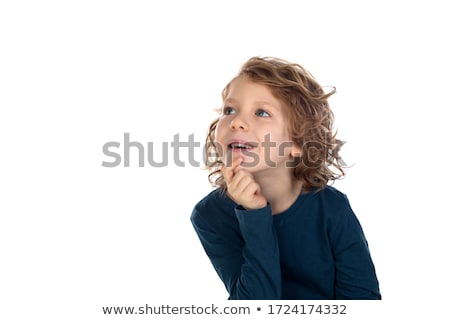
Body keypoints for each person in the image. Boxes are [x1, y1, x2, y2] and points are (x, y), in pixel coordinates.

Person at [190, 56, 381, 300]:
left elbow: (364, 301)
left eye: (261, 112)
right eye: (229, 110)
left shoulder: (331, 208)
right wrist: (254, 214)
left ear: (298, 142)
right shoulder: (209, 214)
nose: (236, 121)